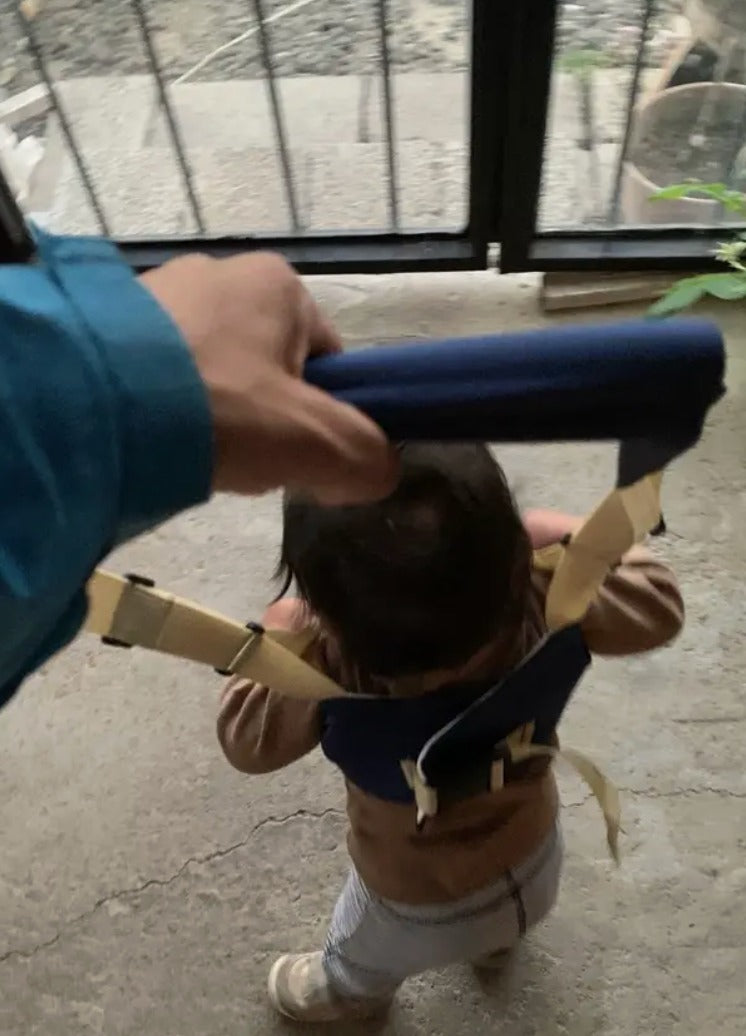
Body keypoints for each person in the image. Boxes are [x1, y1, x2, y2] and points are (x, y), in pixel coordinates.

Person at [216, 442, 684, 1023]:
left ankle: (344, 991)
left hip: (408, 905)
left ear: (327, 618)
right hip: (533, 863)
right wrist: (558, 533)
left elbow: (244, 741)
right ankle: (496, 945)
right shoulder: (555, 598)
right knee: (502, 917)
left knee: (358, 959)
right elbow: (661, 600)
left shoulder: (322, 669)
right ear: (516, 553)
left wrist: (284, 636)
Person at [0, 228, 397, 707]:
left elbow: (243, 741)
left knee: (284, 619)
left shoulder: (308, 703)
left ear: (327, 617)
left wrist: (127, 375)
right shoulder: (495, 681)